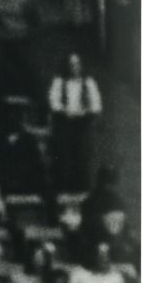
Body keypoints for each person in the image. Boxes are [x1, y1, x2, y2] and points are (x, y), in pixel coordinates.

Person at [48, 52, 102, 192]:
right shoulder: (59, 82)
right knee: (65, 158)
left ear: (81, 66)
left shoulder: (88, 82)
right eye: (71, 64)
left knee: (83, 157)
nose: (74, 67)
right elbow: (54, 102)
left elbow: (96, 104)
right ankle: (65, 188)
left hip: (82, 124)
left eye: (77, 64)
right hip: (65, 123)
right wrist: (64, 111)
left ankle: (83, 189)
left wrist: (86, 111)